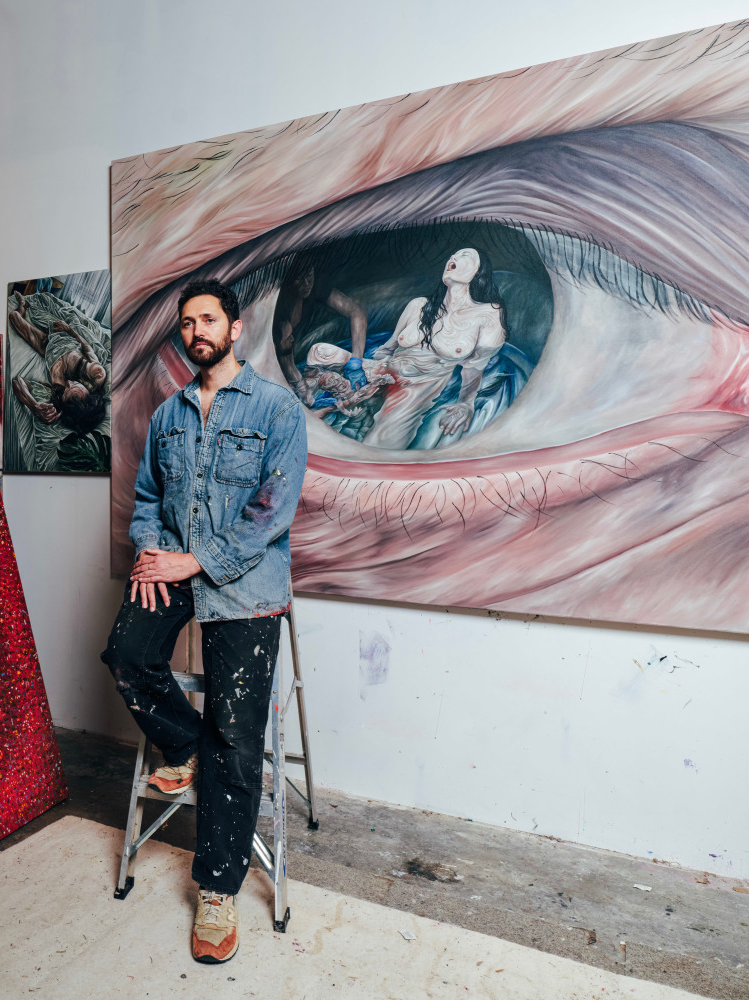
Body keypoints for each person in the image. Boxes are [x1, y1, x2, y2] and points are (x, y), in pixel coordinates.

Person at [102, 278, 307, 964]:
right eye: (187, 323)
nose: (197, 332)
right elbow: (148, 498)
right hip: (175, 567)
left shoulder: (277, 408)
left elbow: (271, 509)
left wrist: (195, 562)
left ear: (234, 328)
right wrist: (150, 554)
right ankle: (184, 751)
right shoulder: (168, 414)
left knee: (236, 733)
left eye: (208, 320)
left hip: (245, 584)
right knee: (127, 653)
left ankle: (217, 891)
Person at [358, 247, 507, 450]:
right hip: (384, 373)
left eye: (464, 255)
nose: (453, 257)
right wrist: (368, 371)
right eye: (453, 255)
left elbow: (475, 367)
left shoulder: (488, 314)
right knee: (321, 352)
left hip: (418, 387)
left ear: (477, 272)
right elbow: (387, 349)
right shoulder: (418, 305)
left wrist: (466, 402)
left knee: (378, 445)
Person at [8, 290, 108, 436]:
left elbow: (17, 382)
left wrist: (34, 406)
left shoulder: (58, 395)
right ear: (89, 396)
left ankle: (22, 305)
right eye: (75, 387)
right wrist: (70, 330)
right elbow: (87, 347)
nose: (69, 383)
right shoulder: (95, 375)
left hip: (46, 347)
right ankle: (25, 304)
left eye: (67, 389)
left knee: (14, 316)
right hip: (64, 337)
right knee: (39, 308)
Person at [272, 262, 370, 405]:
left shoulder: (316, 286)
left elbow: (357, 311)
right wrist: (298, 383)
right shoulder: (277, 306)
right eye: (299, 278)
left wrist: (356, 361)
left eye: (309, 275)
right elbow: (283, 344)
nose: (306, 283)